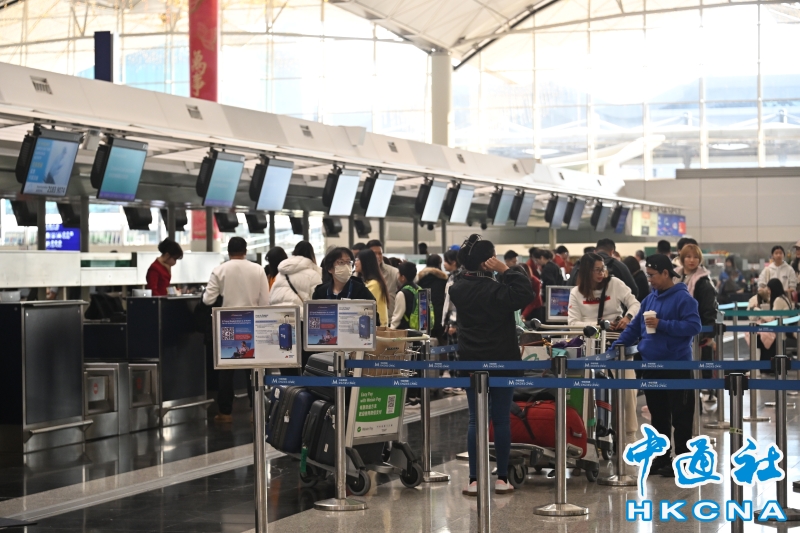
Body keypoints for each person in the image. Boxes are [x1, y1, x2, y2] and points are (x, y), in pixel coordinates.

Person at [448, 234, 534, 496]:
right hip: (503, 361)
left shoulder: (457, 289)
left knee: (476, 420)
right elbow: (525, 292)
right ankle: (502, 478)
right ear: (488, 261)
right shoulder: (498, 290)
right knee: (501, 419)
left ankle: (474, 480)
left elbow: (465, 279)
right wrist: (506, 269)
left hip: (471, 360)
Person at [610, 254, 702, 477]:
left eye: (652, 275)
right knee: (658, 414)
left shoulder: (684, 299)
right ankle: (661, 457)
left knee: (681, 415)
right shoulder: (649, 299)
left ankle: (683, 459)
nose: (649, 280)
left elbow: (694, 326)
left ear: (665, 273)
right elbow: (635, 327)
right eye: (648, 275)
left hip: (677, 365)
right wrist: (616, 347)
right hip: (651, 365)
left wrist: (662, 324)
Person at [569, 253, 640, 442]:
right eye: (597, 270)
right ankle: (590, 435)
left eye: (603, 269)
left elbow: (635, 304)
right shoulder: (576, 293)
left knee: (627, 393)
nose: (602, 273)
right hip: (591, 350)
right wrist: (601, 324)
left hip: (618, 346)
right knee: (590, 395)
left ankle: (629, 436)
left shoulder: (615, 284)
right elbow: (573, 323)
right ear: (587, 271)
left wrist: (628, 318)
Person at [203, 237, 270, 423]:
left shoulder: (220, 270)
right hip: (251, 322)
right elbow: (265, 301)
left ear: (228, 251)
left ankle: (225, 413)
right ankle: (256, 411)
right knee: (254, 370)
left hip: (228, 323)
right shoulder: (258, 269)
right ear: (245, 251)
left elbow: (208, 300)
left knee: (226, 371)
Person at [675, 244, 717, 398]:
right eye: (688, 256)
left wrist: (708, 333)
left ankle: (695, 400)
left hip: (695, 331)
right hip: (676, 330)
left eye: (695, 257)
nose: (692, 260)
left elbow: (709, 309)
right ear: (682, 258)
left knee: (695, 370)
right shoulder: (675, 277)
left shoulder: (703, 282)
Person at [268, 241, 322, 318]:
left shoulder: (281, 273)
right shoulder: (313, 274)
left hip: (277, 314)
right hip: (299, 317)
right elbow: (317, 302)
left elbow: (271, 296)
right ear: (312, 255)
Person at [746, 279, 794, 363]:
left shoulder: (778, 300)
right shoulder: (785, 298)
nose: (768, 292)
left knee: (757, 336)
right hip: (783, 330)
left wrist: (756, 309)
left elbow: (771, 318)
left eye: (769, 289)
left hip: (780, 333)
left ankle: (761, 365)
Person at [574, 238, 639, 299]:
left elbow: (569, 288)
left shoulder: (579, 265)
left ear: (595, 252)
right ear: (612, 252)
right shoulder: (619, 266)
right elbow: (633, 291)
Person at [366, 240, 400, 319]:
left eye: (380, 253)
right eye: (374, 253)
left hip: (388, 319)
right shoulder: (360, 273)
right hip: (367, 319)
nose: (378, 256)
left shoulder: (393, 272)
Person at [356, 248, 389, 326]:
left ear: (365, 262)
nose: (355, 263)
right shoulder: (368, 282)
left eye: (358, 260)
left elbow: (363, 305)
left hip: (377, 327)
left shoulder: (374, 284)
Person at [417, 254, 447, 338]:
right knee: (440, 339)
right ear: (439, 264)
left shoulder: (420, 279)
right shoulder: (443, 279)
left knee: (425, 340)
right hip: (440, 312)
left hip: (423, 313)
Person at [391, 262, 425, 330]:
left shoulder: (402, 293)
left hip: (405, 331)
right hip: (420, 329)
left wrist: (391, 329)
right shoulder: (420, 289)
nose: (397, 275)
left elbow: (397, 316)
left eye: (399, 273)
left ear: (403, 277)